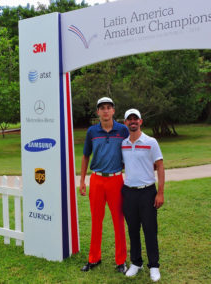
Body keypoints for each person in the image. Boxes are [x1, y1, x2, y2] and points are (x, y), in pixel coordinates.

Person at [80, 97, 129, 273]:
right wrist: (82, 181)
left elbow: (130, 151)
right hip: (97, 180)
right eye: (102, 108)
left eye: (109, 108)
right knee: (96, 221)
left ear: (113, 111)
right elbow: (86, 156)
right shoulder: (92, 131)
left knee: (118, 221)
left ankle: (121, 261)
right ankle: (94, 258)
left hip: (116, 180)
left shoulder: (122, 130)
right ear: (98, 112)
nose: (106, 111)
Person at [121, 108, 165, 282]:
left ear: (141, 121)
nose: (132, 121)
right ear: (125, 123)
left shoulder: (151, 141)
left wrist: (160, 193)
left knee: (150, 230)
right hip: (129, 192)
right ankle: (136, 263)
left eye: (135, 119)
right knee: (132, 230)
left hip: (147, 192)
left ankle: (154, 265)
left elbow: (159, 166)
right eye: (129, 119)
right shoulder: (123, 143)